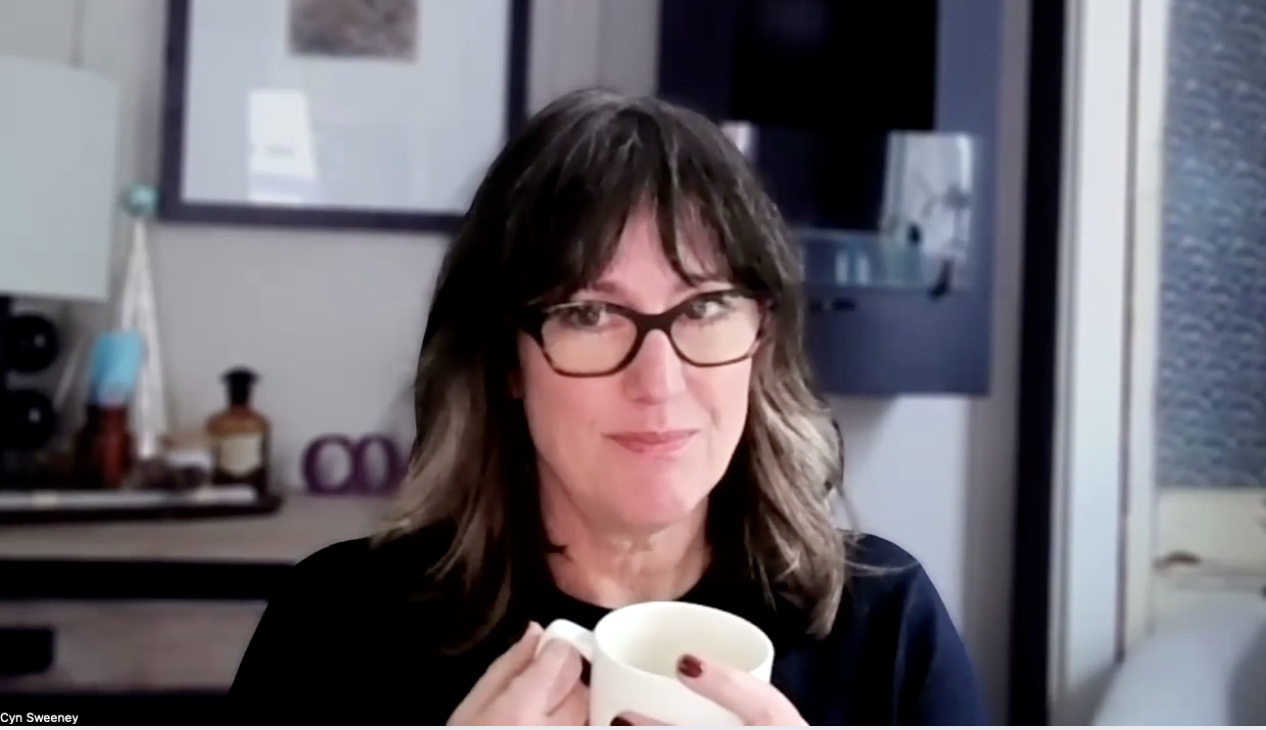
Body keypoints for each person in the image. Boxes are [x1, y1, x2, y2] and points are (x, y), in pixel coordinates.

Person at [227, 89, 988, 726]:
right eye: (590, 314)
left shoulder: (887, 629)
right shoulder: (332, 631)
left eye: (705, 307)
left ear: (760, 338)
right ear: (507, 361)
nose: (658, 380)